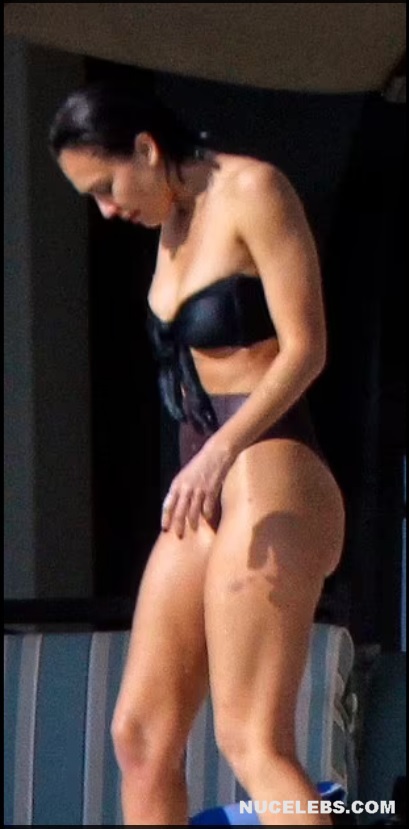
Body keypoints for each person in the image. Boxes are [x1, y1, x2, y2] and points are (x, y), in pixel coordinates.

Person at [49, 81, 345, 826]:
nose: (106, 210)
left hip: (271, 465)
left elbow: (306, 349)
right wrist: (208, 460)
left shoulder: (253, 190)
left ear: (147, 150)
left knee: (250, 739)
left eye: (106, 187)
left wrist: (219, 452)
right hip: (205, 489)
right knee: (140, 737)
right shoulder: (171, 225)